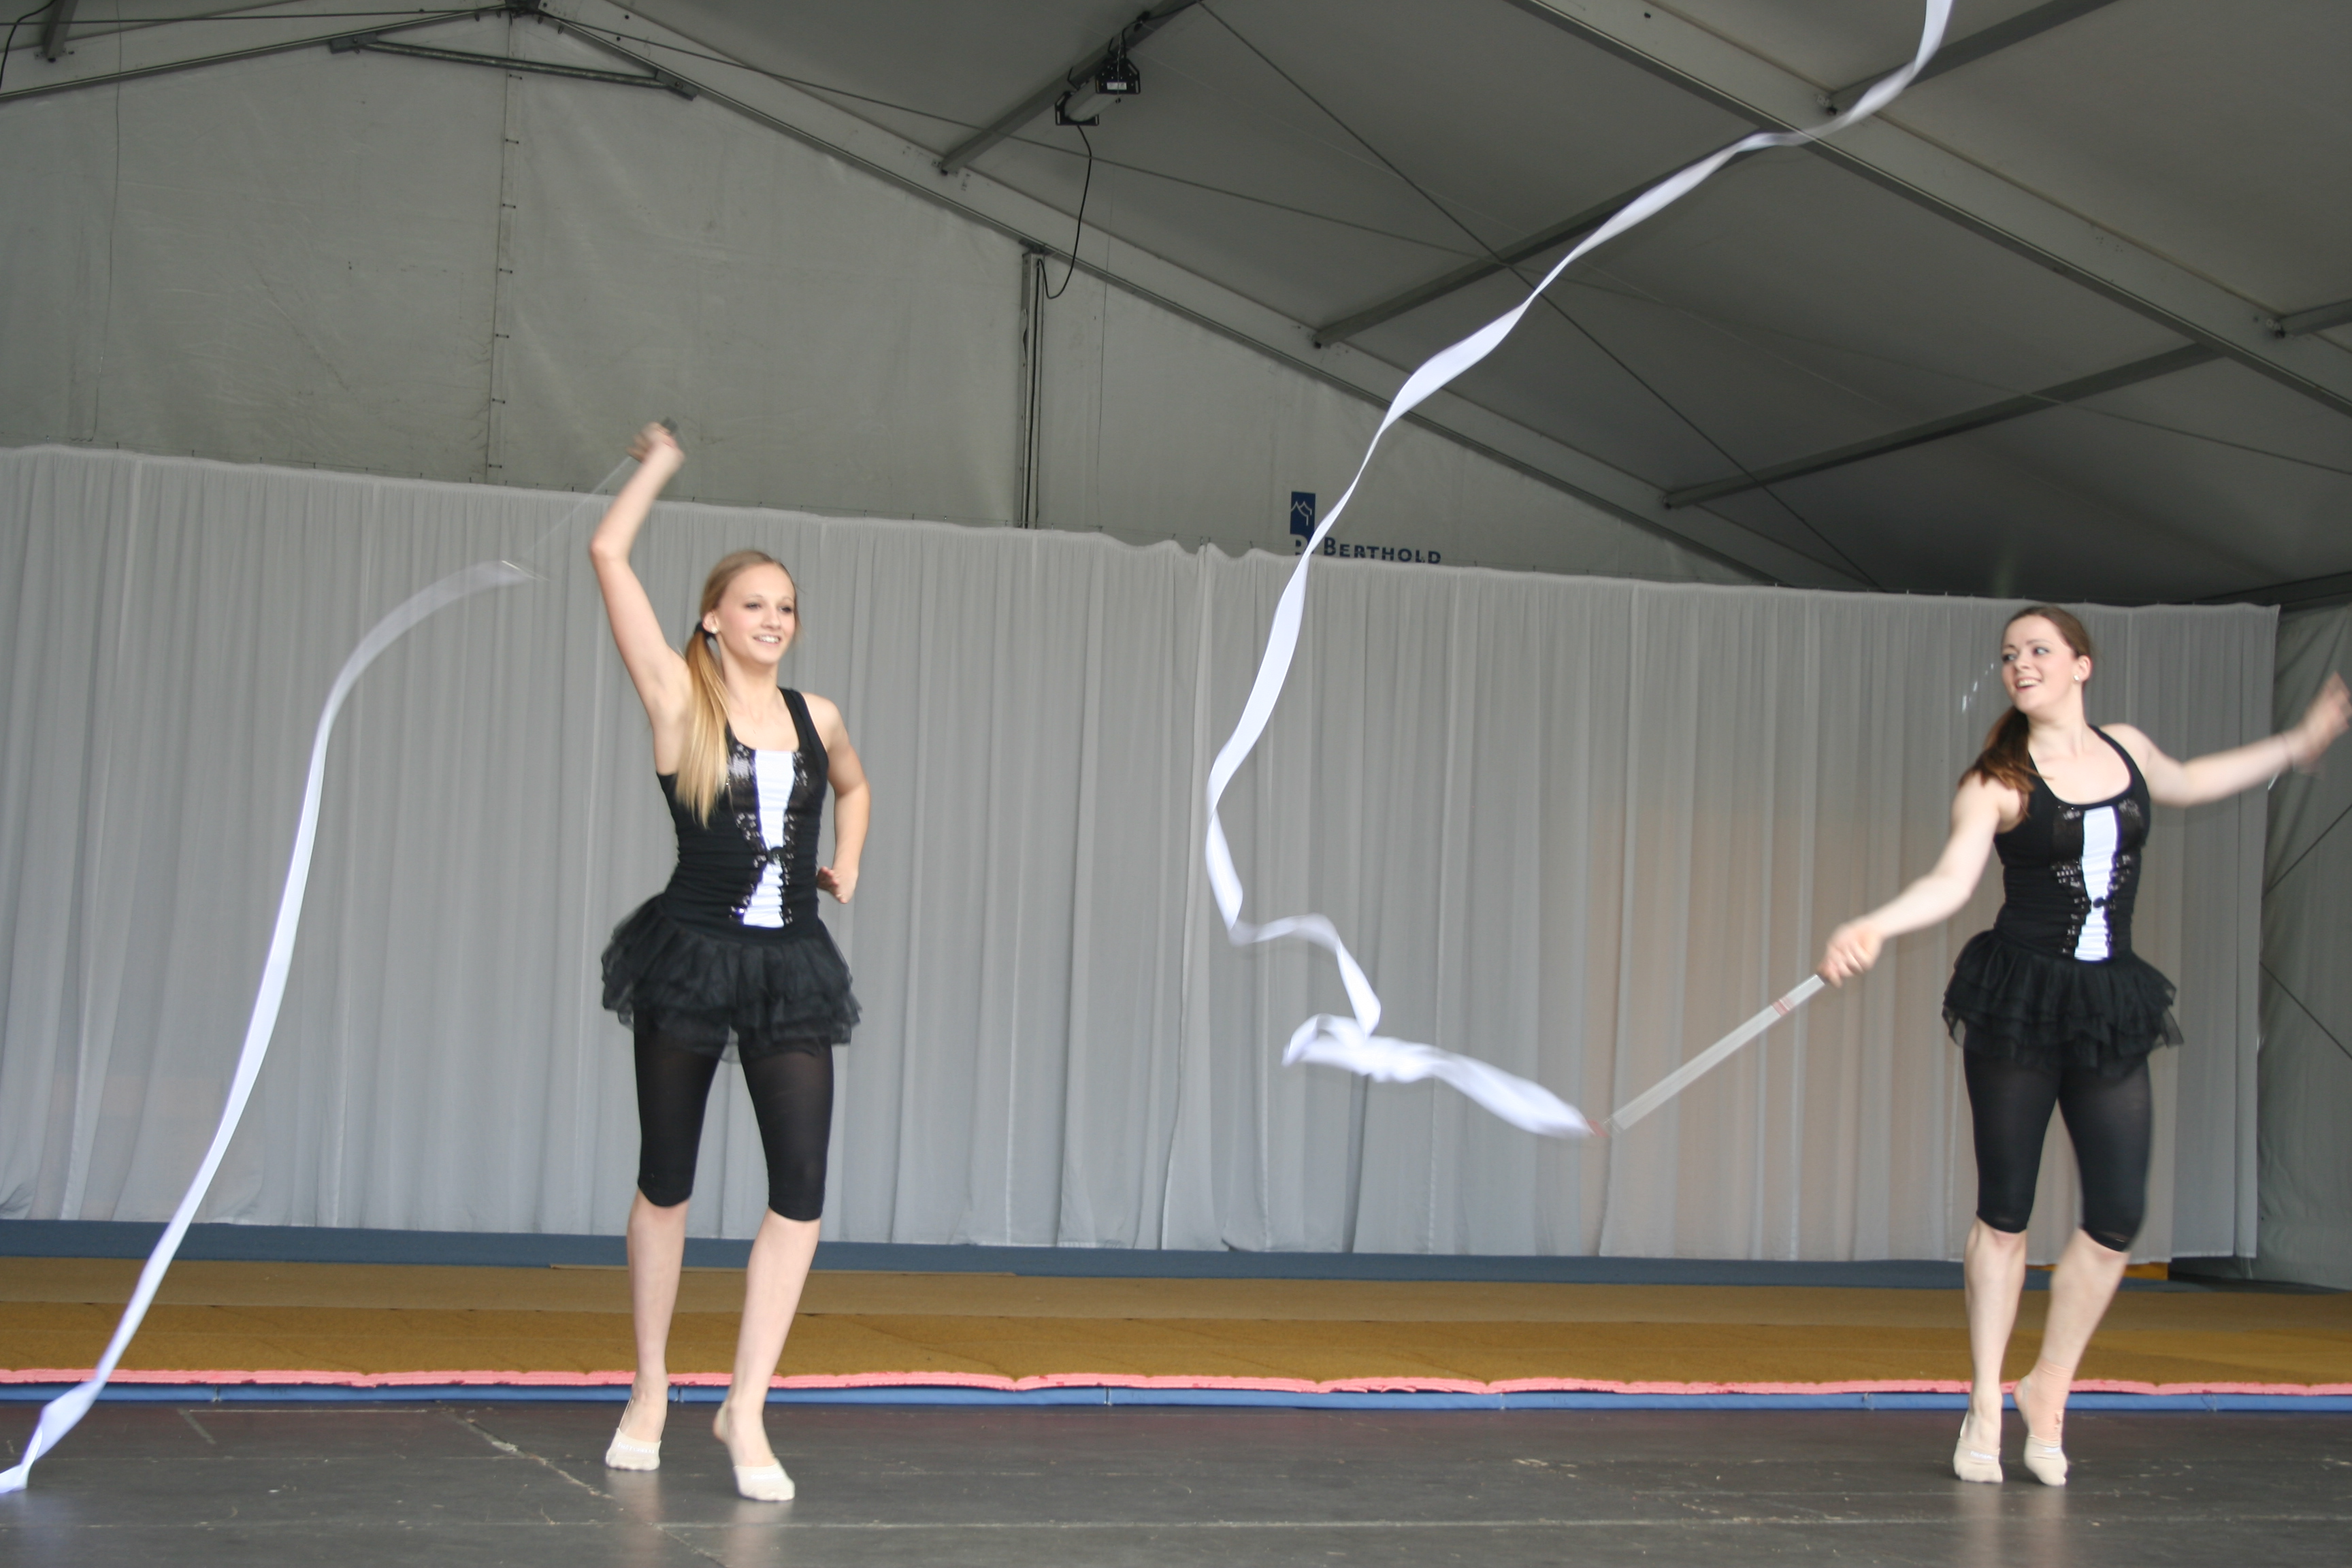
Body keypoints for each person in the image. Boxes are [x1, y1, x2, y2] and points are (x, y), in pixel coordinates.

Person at [1819, 604, 2347, 1487]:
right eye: (2009, 656)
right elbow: (1950, 880)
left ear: (2081, 664)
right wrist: (1873, 925)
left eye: (2038, 650)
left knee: (2115, 1218)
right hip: (2019, 1001)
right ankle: (1985, 1401)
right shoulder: (1997, 781)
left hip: (2107, 1003)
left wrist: (2297, 744)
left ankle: (2048, 1387)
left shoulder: (2127, 750)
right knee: (2006, 1214)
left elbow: (2195, 779)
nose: (2020, 665)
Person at [587, 422, 869, 1503]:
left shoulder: (817, 714)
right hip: (692, 960)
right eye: (755, 604)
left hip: (791, 964)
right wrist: (659, 464)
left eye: (786, 607)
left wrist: (848, 859)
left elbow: (855, 786)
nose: (774, 621)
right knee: (668, 1180)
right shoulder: (677, 697)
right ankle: (651, 1385)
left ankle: (745, 1406)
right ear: (713, 616)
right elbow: (608, 553)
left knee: (801, 1191)